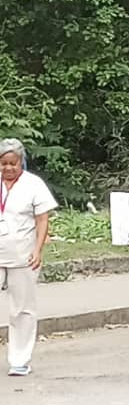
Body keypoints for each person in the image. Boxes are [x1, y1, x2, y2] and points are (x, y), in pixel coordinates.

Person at [0, 138, 58, 376]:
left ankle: (19, 359)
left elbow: (42, 219)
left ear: (21, 161)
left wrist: (38, 249)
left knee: (22, 309)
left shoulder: (33, 184)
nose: (9, 168)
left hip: (23, 253)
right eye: (4, 164)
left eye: (13, 163)